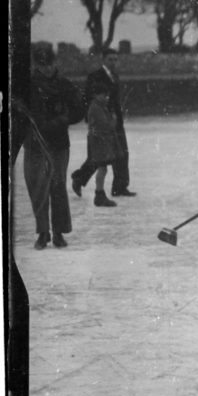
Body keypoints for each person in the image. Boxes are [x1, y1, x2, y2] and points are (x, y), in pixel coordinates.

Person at [21, 43, 86, 249]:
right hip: (35, 144)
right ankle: (43, 232)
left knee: (57, 187)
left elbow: (79, 110)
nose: (46, 68)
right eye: (42, 65)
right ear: (35, 65)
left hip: (58, 144)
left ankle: (58, 232)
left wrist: (63, 118)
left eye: (49, 64)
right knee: (38, 189)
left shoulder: (64, 85)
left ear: (54, 62)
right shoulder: (27, 86)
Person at [71, 46, 135, 198]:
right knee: (98, 156)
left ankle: (120, 187)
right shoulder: (95, 76)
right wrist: (93, 119)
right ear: (103, 60)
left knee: (121, 153)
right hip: (101, 122)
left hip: (115, 121)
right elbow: (88, 98)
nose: (113, 62)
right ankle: (79, 178)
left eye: (115, 59)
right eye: (110, 59)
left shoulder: (114, 76)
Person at [85, 89, 121, 208]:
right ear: (96, 94)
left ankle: (99, 194)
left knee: (102, 168)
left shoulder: (98, 106)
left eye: (107, 95)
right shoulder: (97, 108)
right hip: (99, 141)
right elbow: (105, 124)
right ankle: (99, 194)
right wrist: (114, 120)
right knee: (102, 168)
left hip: (99, 141)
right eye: (104, 95)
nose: (107, 98)